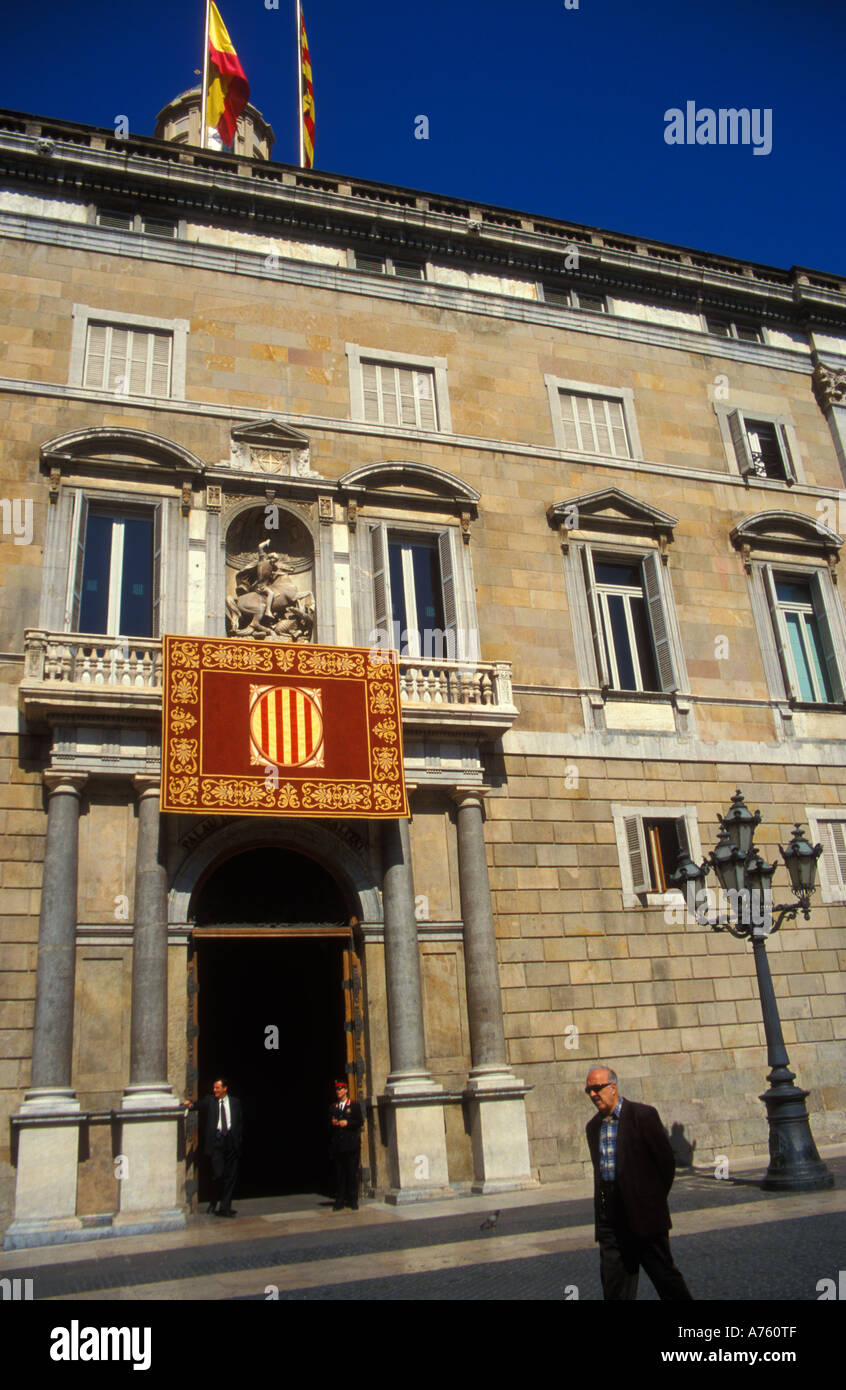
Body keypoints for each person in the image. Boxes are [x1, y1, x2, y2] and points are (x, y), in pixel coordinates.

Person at [584, 1065, 692, 1300]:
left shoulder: (643, 1116)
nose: (593, 1095)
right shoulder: (593, 1128)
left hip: (644, 1216)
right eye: (588, 1091)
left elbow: (665, 1164)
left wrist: (650, 1201)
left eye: (597, 1088)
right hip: (610, 1221)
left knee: (665, 1278)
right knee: (614, 1286)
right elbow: (600, 1173)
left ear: (613, 1088)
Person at [184, 1076, 243, 1218]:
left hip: (231, 1142)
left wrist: (238, 1141)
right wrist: (190, 1105)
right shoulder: (210, 1101)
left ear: (225, 1088)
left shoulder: (235, 1102)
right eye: (214, 1088)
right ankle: (213, 1200)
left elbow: (239, 1122)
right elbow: (198, 1105)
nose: (214, 1090)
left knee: (230, 1177)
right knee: (218, 1174)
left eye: (217, 1088)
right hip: (217, 1142)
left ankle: (225, 1207)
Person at [329, 1078, 363, 1211]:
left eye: (341, 1088)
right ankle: (340, 1200)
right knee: (340, 1174)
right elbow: (329, 1121)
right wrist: (333, 1123)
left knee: (351, 1172)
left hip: (351, 1144)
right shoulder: (333, 1107)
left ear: (346, 1090)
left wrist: (347, 1123)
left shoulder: (353, 1106)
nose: (339, 1091)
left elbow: (359, 1122)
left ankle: (353, 1200)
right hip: (338, 1145)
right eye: (337, 1089)